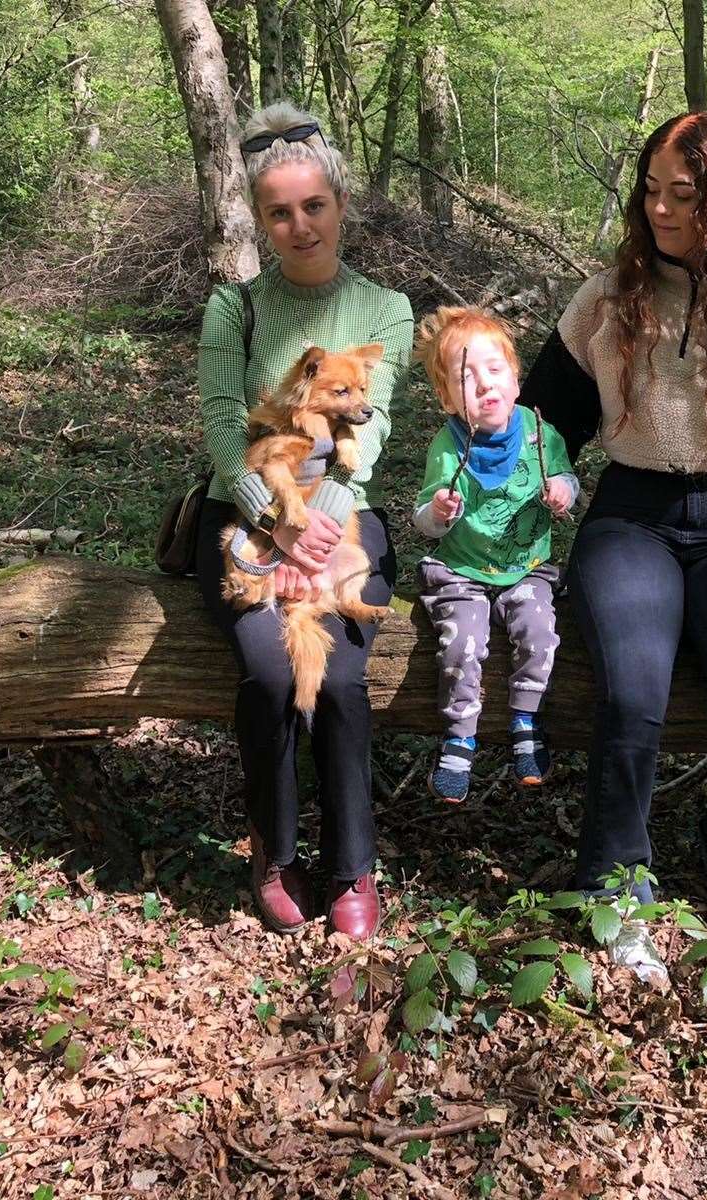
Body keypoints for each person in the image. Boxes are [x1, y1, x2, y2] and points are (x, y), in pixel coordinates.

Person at [523, 112, 707, 983]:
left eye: (684, 196)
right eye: (651, 190)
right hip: (632, 520)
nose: (660, 209)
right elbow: (545, 423)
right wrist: (494, 489)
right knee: (631, 695)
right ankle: (617, 883)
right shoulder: (606, 298)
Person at [193, 102, 413, 938]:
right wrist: (274, 523)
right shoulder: (234, 308)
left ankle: (353, 865)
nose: (299, 225)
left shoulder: (385, 306)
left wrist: (316, 528)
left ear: (340, 206)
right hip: (247, 506)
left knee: (346, 677)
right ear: (260, 219)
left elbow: (374, 423)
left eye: (313, 206)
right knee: (271, 671)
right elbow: (221, 423)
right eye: (280, 212)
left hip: (343, 506)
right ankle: (275, 850)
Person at [411, 307, 579, 802]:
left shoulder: (539, 433)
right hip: (462, 571)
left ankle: (525, 718)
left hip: (526, 566)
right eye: (467, 377)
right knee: (462, 642)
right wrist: (439, 510)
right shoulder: (448, 444)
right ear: (446, 397)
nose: (485, 384)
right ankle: (461, 733)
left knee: (540, 631)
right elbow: (422, 517)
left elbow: (569, 479)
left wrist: (562, 493)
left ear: (515, 375)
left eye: (495, 369)